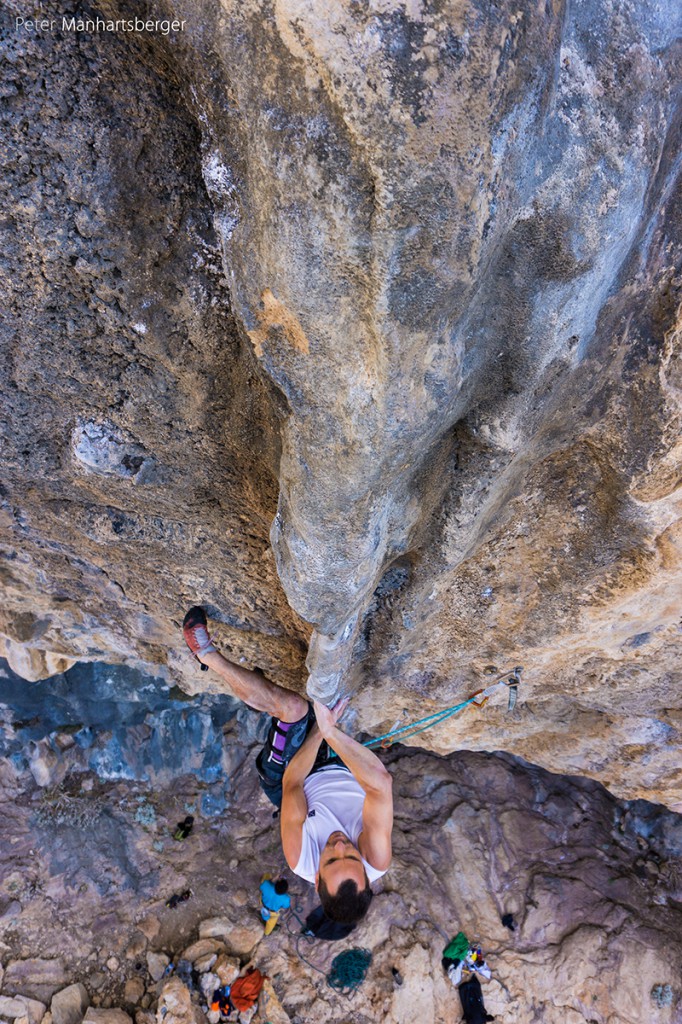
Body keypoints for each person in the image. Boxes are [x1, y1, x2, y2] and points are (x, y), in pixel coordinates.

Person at [182, 607, 393, 926]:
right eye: (351, 855)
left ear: (317, 878)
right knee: (339, 698)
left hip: (291, 778)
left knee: (294, 709)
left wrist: (322, 730)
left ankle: (208, 656)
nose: (339, 845)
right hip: (341, 768)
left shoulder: (301, 858)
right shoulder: (376, 858)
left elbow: (293, 781)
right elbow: (380, 783)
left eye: (332, 858)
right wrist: (331, 733)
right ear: (365, 869)